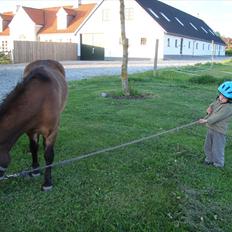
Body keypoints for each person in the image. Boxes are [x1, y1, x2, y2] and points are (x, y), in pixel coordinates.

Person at [198, 81, 232, 168]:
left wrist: (206, 121)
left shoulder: (228, 108)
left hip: (219, 131)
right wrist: (209, 107)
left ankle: (218, 164)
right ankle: (209, 159)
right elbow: (213, 104)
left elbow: (217, 117)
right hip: (211, 128)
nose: (221, 98)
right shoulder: (219, 100)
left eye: (224, 97)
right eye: (220, 95)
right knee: (208, 145)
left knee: (217, 148)